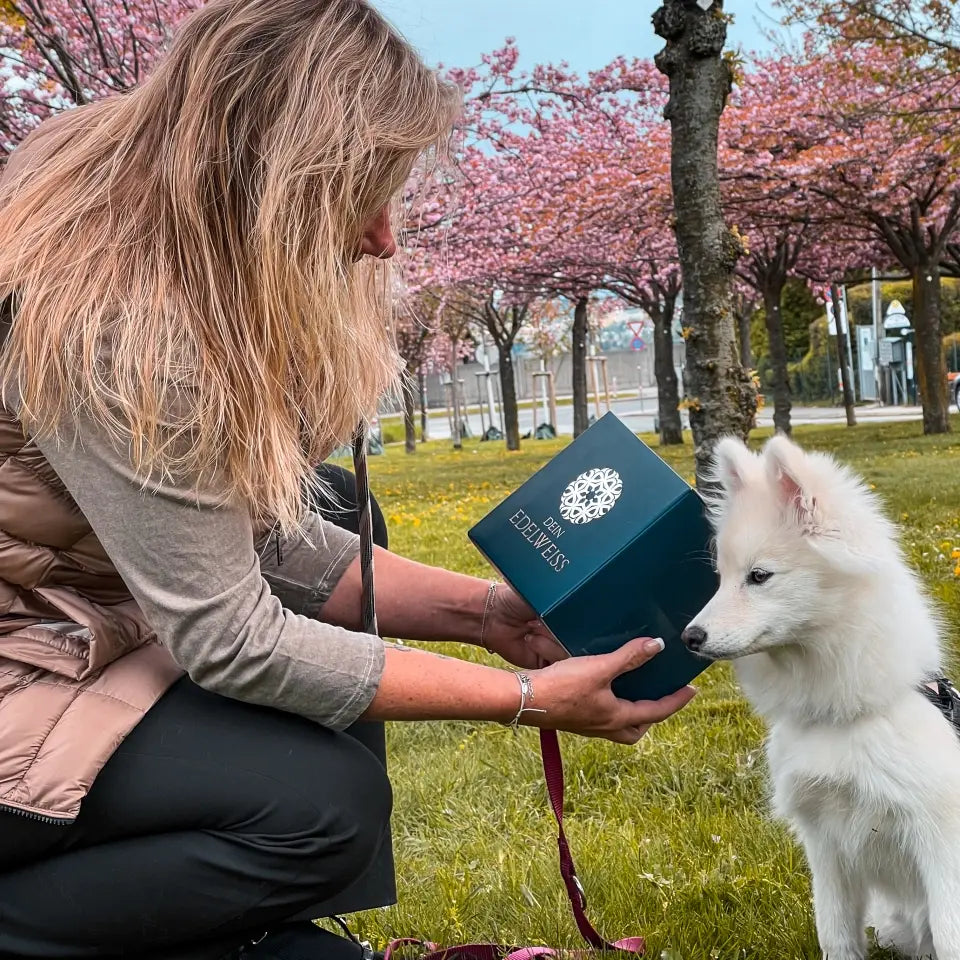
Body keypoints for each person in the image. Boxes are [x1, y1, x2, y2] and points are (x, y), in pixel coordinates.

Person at [0, 2, 697, 958]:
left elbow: (251, 528)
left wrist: (485, 613)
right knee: (324, 809)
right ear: (270, 181)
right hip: (20, 655)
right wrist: (527, 702)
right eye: (359, 195)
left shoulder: (150, 211)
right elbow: (230, 638)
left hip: (62, 616)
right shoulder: (120, 326)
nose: (383, 240)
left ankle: (258, 924)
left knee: (328, 502)